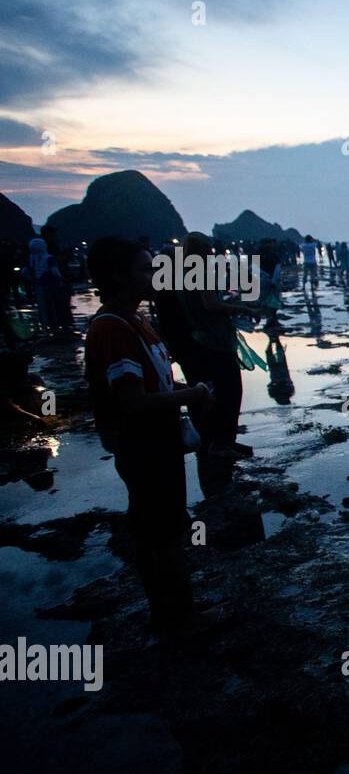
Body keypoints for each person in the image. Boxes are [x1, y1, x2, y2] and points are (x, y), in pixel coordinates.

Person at [84, 237, 213, 630]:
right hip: (143, 445)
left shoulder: (138, 321)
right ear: (117, 276)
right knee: (161, 532)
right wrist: (189, 395)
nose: (156, 275)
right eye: (146, 269)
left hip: (161, 441)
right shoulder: (113, 328)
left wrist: (181, 391)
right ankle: (176, 619)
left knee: (167, 526)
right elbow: (133, 401)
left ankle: (176, 611)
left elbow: (153, 385)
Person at [177, 232, 259, 459]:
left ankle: (221, 441)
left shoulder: (183, 272)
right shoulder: (199, 271)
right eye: (207, 247)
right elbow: (210, 305)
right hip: (212, 340)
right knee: (230, 391)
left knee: (216, 393)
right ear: (199, 249)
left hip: (200, 339)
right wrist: (243, 309)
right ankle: (222, 443)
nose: (211, 251)